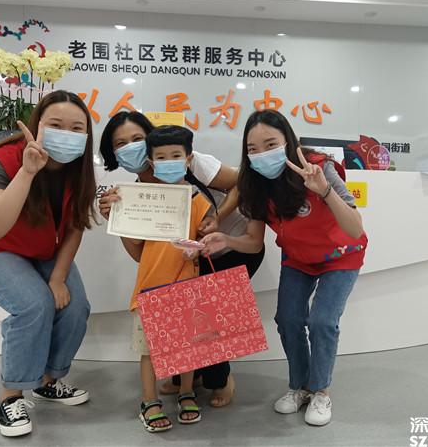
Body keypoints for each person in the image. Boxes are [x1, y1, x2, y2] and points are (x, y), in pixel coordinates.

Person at [201, 109, 368, 426]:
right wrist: (227, 240)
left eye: (270, 144)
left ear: (288, 142)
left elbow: (354, 228)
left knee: (322, 321)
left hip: (341, 255)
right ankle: (300, 387)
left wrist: (324, 190)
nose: (262, 154)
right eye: (253, 149)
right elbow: (254, 242)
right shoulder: (255, 185)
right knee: (288, 319)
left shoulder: (319, 167)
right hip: (298, 258)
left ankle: (321, 391)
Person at [98, 111, 265, 407]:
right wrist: (118, 220)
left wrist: (217, 216)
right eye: (121, 143)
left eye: (137, 138)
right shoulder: (136, 191)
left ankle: (219, 380)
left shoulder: (191, 161)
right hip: (191, 258)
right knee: (184, 314)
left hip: (232, 246)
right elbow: (140, 255)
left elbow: (243, 182)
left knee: (207, 318)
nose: (130, 147)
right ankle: (189, 378)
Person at [0, 90, 96, 437]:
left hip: (41, 249)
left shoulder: (78, 169)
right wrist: (26, 171)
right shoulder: (4, 159)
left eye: (76, 128)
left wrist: (58, 278)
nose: (66, 134)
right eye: (55, 125)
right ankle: (10, 396)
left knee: (76, 305)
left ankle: (48, 381)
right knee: (33, 305)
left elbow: (75, 226)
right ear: (37, 126)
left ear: (86, 134)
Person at [104, 125, 215, 432]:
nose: (169, 162)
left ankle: (186, 392)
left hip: (188, 286)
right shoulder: (141, 197)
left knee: (189, 347)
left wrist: (202, 242)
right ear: (151, 163)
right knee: (149, 350)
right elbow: (134, 243)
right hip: (149, 286)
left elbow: (209, 231)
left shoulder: (196, 198)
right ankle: (149, 400)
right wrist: (117, 213)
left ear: (188, 159)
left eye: (176, 156)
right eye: (161, 158)